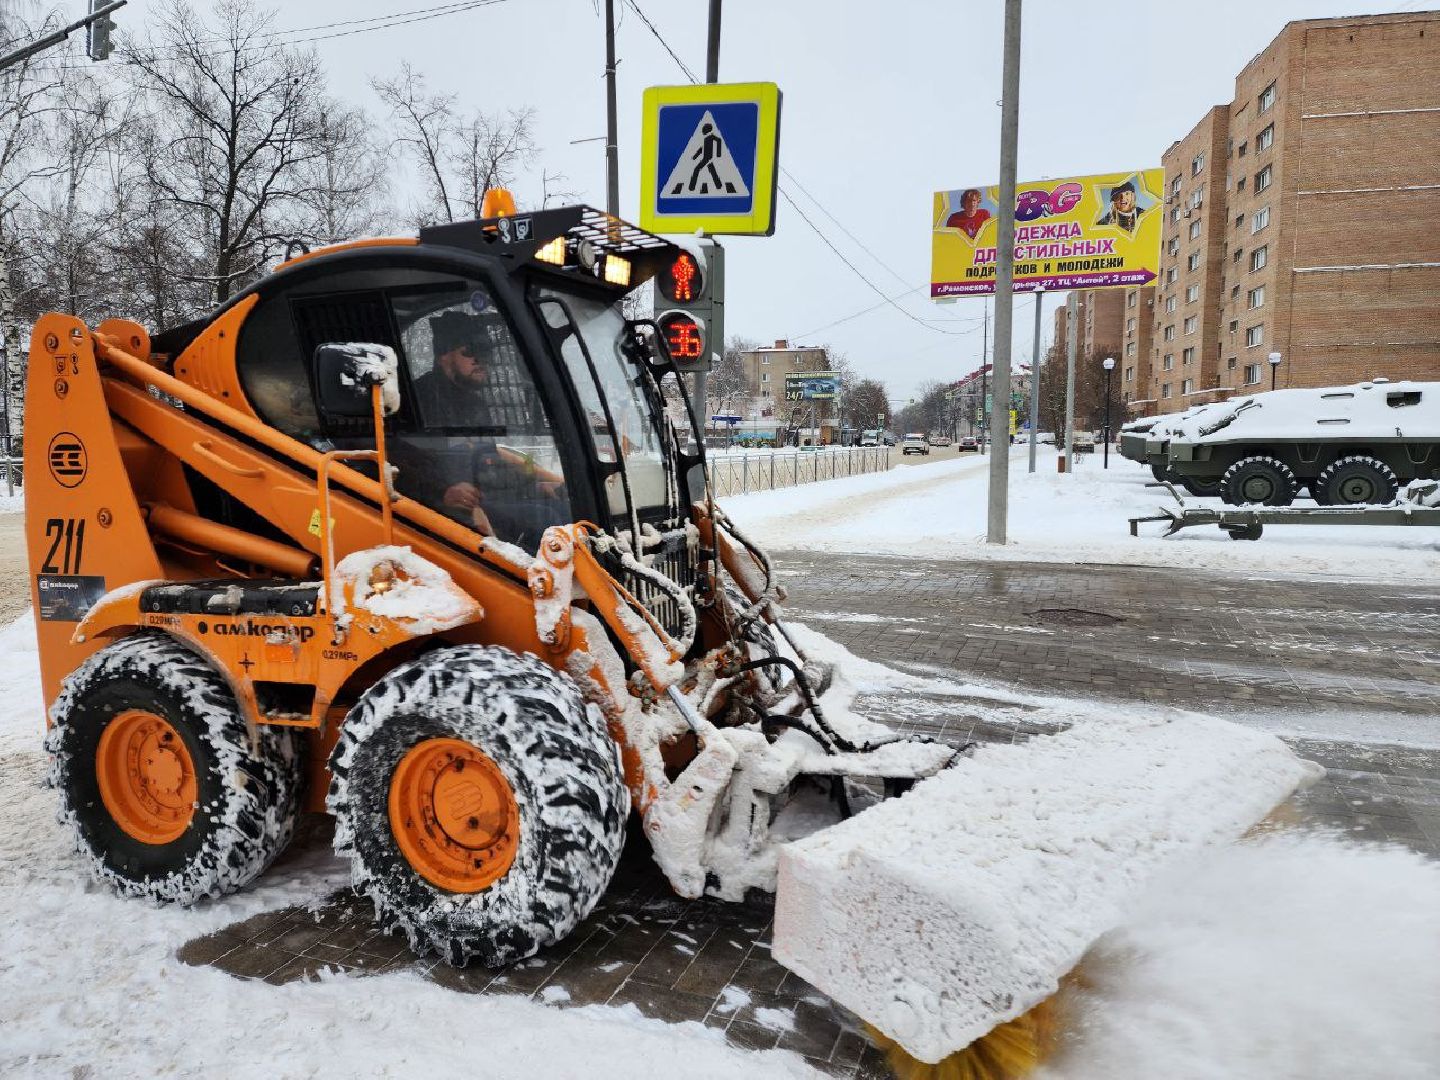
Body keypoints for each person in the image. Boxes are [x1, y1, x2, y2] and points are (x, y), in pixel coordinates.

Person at [403, 310, 563, 540]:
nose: (481, 360)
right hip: (442, 506)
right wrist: (441, 492)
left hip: (481, 498)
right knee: (547, 518)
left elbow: (491, 454)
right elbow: (400, 459)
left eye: (485, 352)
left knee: (560, 508)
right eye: (470, 351)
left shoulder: (475, 404)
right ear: (444, 356)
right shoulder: (419, 400)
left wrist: (539, 480)